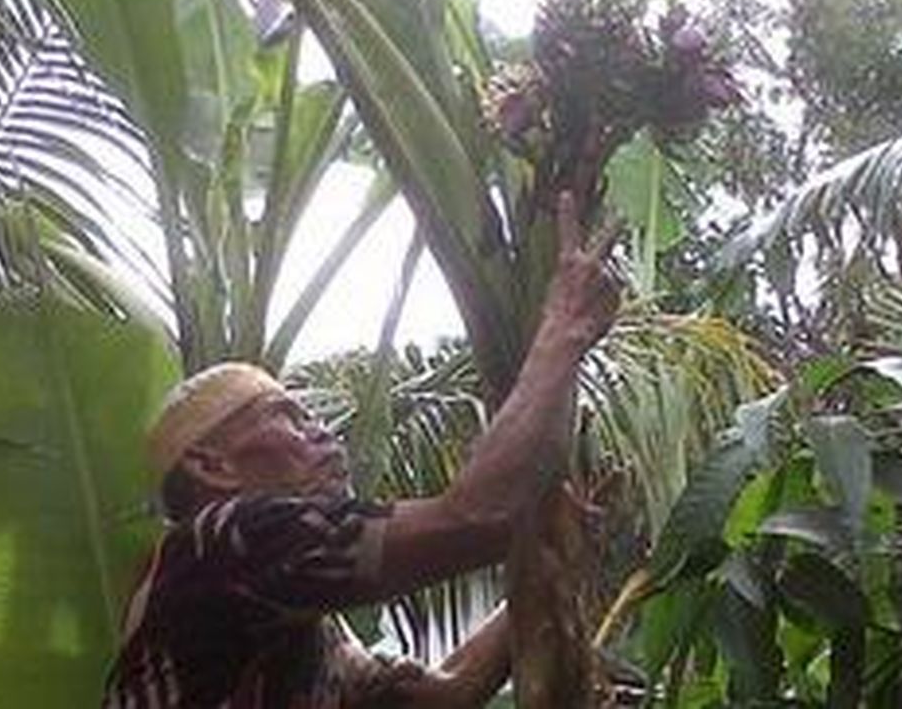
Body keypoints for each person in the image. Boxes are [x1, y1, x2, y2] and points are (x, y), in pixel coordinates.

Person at [102, 192, 621, 708]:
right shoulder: (229, 539)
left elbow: (440, 696)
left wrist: (551, 560)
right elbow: (477, 516)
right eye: (289, 418)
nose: (323, 432)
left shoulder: (295, 609)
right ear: (211, 465)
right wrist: (563, 329)